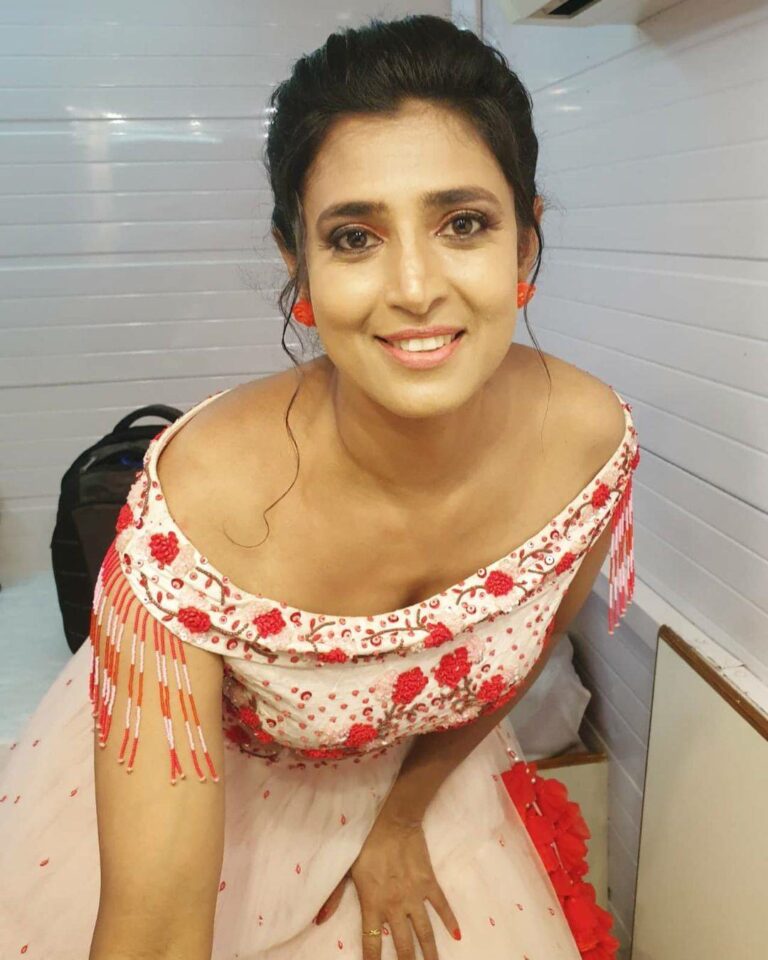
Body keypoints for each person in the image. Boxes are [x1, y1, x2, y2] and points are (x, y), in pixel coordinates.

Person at [0, 14, 639, 960]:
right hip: (212, 803)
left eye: (463, 223)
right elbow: (158, 925)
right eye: (354, 236)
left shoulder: (588, 447)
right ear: (295, 260)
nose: (415, 287)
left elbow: (528, 646)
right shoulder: (197, 514)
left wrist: (400, 816)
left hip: (417, 787)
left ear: (524, 241)